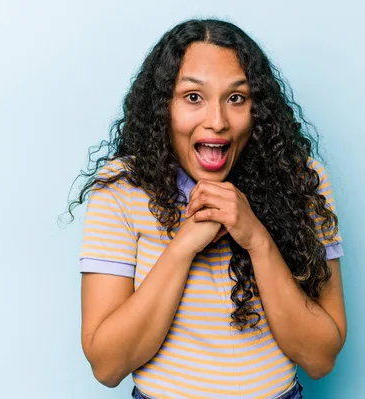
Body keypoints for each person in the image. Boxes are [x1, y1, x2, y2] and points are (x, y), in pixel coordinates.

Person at [67, 18, 347, 399]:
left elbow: (320, 358)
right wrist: (184, 246)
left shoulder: (301, 179)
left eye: (236, 98)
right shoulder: (120, 188)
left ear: (257, 109)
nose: (217, 122)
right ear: (163, 106)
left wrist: (257, 239)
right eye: (193, 97)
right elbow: (108, 365)